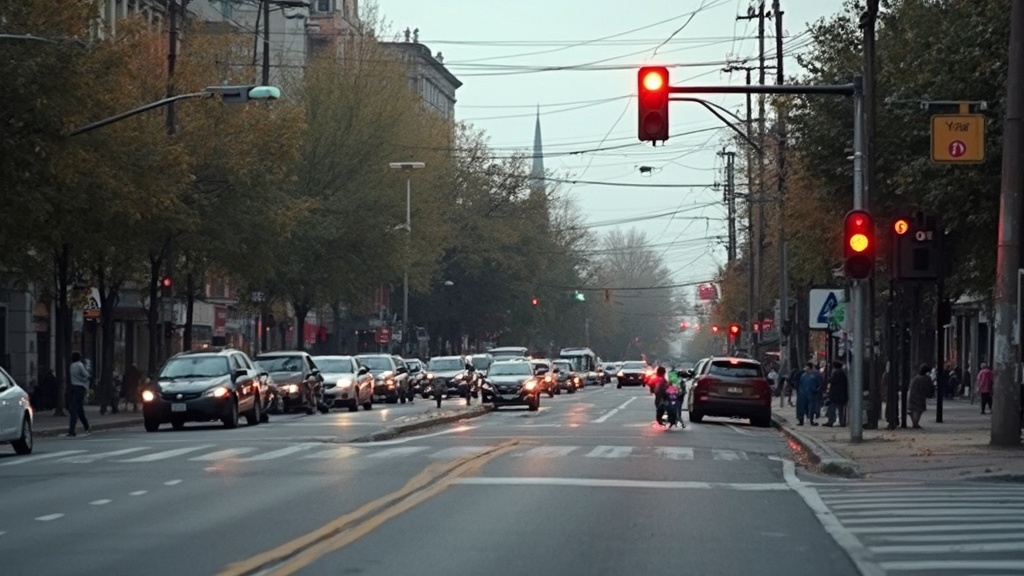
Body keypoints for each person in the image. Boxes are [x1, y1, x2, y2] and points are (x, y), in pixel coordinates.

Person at [67, 352, 91, 437]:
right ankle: (86, 426)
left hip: (73, 387)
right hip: (80, 388)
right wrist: (84, 380)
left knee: (75, 408)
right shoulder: (80, 365)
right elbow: (87, 375)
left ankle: (72, 430)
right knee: (78, 409)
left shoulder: (71, 366)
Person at [824, 361, 849, 427]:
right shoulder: (843, 374)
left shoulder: (836, 374)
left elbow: (831, 381)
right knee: (840, 409)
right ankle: (842, 422)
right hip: (841, 395)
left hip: (835, 395)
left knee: (832, 408)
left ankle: (831, 421)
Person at [909, 363, 932, 429]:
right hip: (919, 396)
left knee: (915, 409)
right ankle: (915, 424)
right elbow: (927, 388)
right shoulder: (925, 378)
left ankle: (915, 423)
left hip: (913, 395)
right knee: (918, 410)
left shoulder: (916, 378)